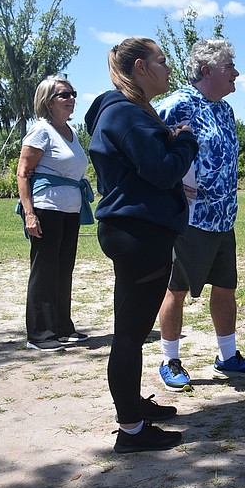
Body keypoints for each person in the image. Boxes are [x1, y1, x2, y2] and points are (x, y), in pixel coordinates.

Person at [86, 37, 198, 453]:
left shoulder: (127, 113)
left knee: (131, 330)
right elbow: (162, 170)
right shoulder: (127, 115)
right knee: (131, 335)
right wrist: (185, 140)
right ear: (140, 67)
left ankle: (133, 406)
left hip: (136, 230)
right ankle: (131, 431)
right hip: (139, 234)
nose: (168, 68)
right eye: (162, 61)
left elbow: (145, 173)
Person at [155, 39, 245, 392]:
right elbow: (148, 150)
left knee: (226, 287)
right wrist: (173, 186)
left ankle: (227, 357)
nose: (236, 73)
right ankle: (170, 359)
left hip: (224, 218)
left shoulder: (225, 109)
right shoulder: (177, 105)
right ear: (207, 71)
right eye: (229, 67)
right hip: (189, 221)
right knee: (176, 288)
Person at [16, 76, 93, 352]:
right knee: (44, 271)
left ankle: (61, 327)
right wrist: (29, 214)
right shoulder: (41, 131)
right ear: (48, 101)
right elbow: (23, 173)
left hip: (70, 210)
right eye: (64, 95)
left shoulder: (69, 131)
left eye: (73, 93)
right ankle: (39, 334)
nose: (71, 98)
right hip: (46, 209)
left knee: (63, 270)